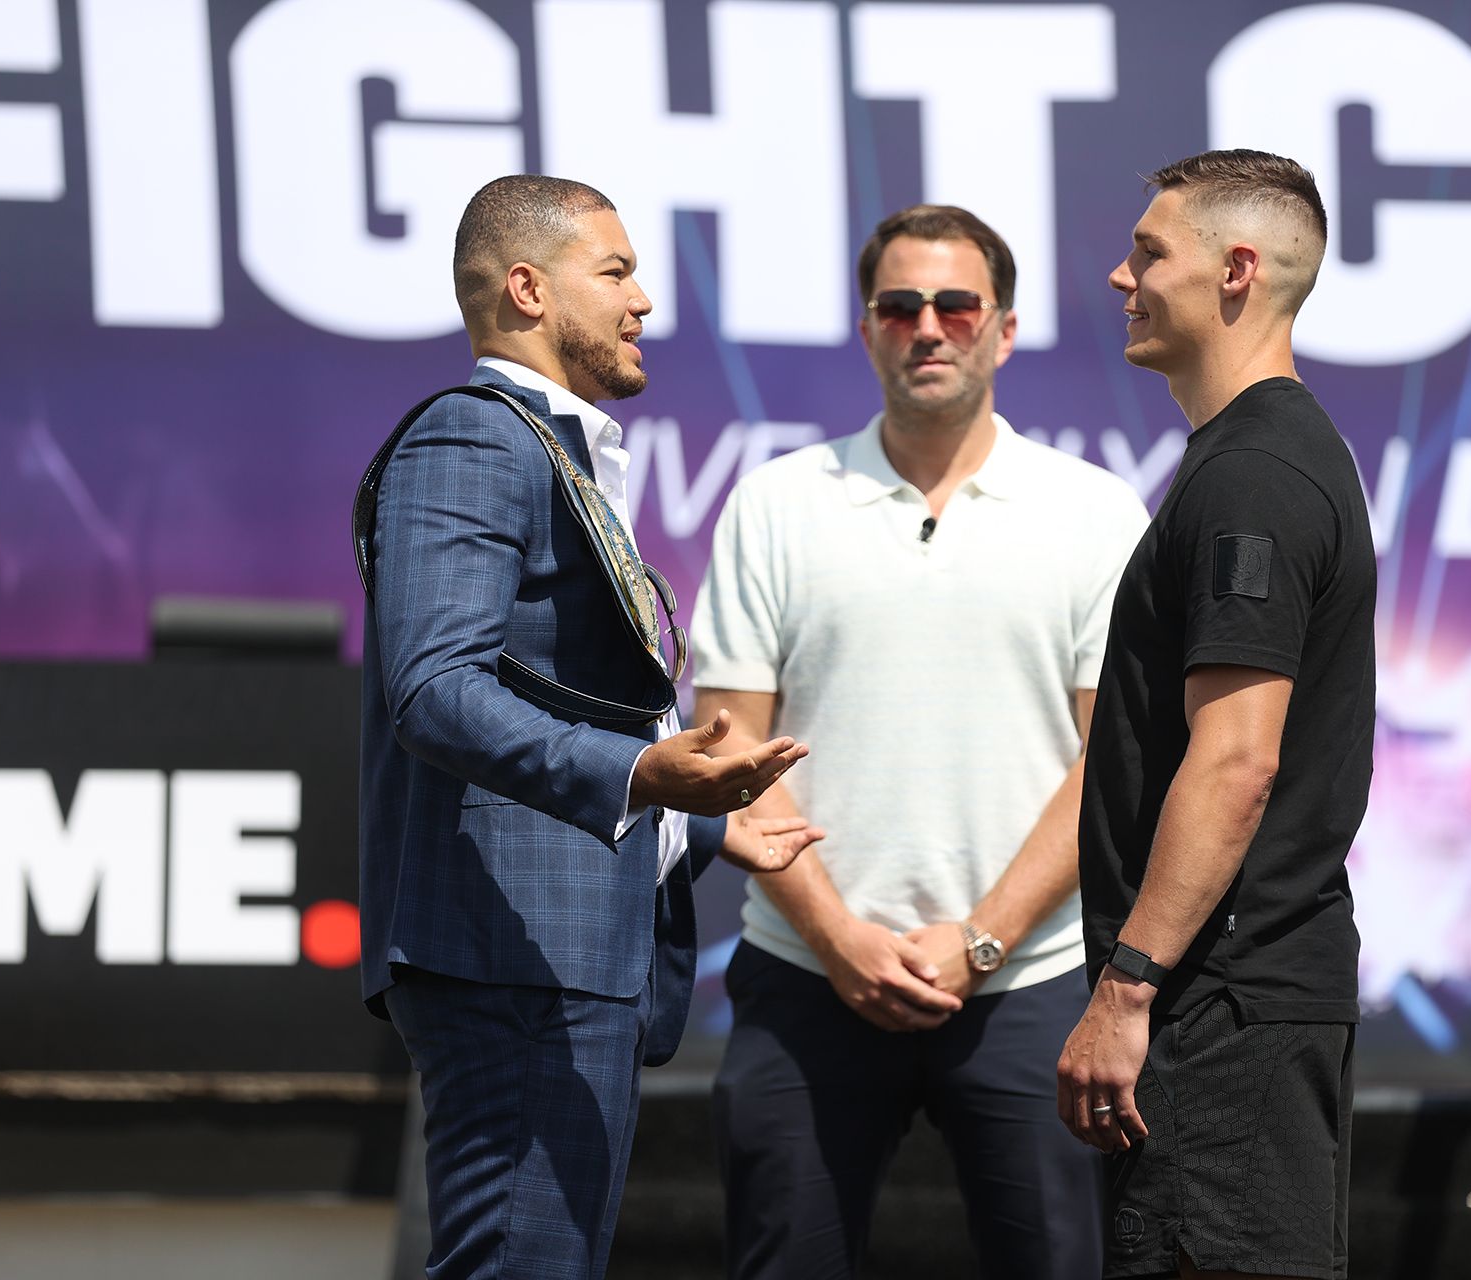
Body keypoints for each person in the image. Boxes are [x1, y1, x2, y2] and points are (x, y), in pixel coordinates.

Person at [357, 174, 823, 1280]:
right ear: (527, 287)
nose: (643, 298)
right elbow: (434, 689)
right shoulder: (472, 441)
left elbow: (548, 693)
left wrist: (696, 830)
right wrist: (646, 774)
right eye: (613, 271)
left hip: (559, 949)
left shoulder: (548, 446)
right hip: (516, 947)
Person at [691, 204, 1151, 1279]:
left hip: (1029, 981)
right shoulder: (776, 506)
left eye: (956, 305)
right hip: (807, 972)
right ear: (868, 328)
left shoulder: (1092, 512)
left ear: (1004, 327)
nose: (928, 327)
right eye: (901, 307)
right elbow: (729, 752)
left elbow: (1112, 767)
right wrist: (842, 938)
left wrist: (981, 938)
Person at [1057, 149, 1377, 1280]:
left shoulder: (1257, 476)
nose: (1120, 275)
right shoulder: (1254, 460)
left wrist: (1127, 983)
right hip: (1235, 1009)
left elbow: (1236, 760)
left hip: (1216, 1018)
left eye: (1149, 252)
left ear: (1237, 269)